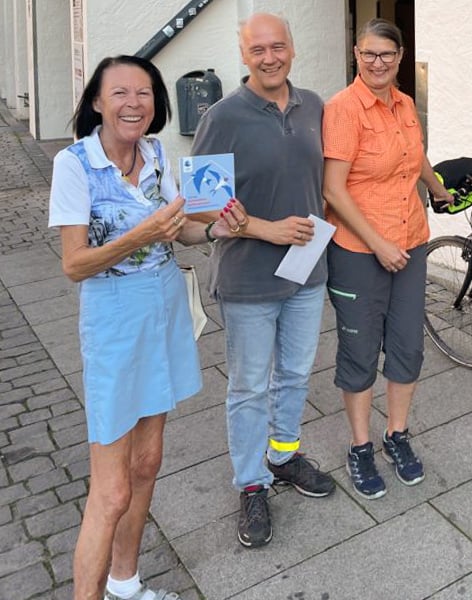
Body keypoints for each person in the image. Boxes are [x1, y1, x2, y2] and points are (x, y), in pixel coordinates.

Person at [48, 56, 244, 600]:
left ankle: (126, 583)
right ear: (96, 102)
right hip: (114, 321)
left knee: (149, 459)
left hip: (163, 308)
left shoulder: (159, 155)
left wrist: (216, 231)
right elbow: (73, 265)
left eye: (144, 93)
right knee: (110, 491)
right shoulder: (75, 165)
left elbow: (180, 235)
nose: (134, 103)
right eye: (120, 93)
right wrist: (144, 234)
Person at [190, 12, 334, 549]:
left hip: (307, 273)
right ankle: (251, 482)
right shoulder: (224, 116)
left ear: (292, 49)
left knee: (295, 374)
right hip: (249, 277)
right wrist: (263, 228)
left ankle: (282, 454)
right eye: (258, 49)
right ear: (243, 54)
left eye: (278, 47)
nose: (269, 57)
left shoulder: (314, 105)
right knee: (249, 386)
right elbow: (200, 209)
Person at [322, 18, 452, 500]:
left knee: (407, 346)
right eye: (369, 54)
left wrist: (440, 192)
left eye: (387, 55)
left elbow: (413, 156)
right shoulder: (342, 109)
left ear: (399, 58)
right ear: (356, 55)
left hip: (411, 241)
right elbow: (332, 189)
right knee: (359, 352)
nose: (378, 63)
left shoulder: (405, 104)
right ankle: (360, 446)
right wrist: (377, 242)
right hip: (360, 250)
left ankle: (397, 434)